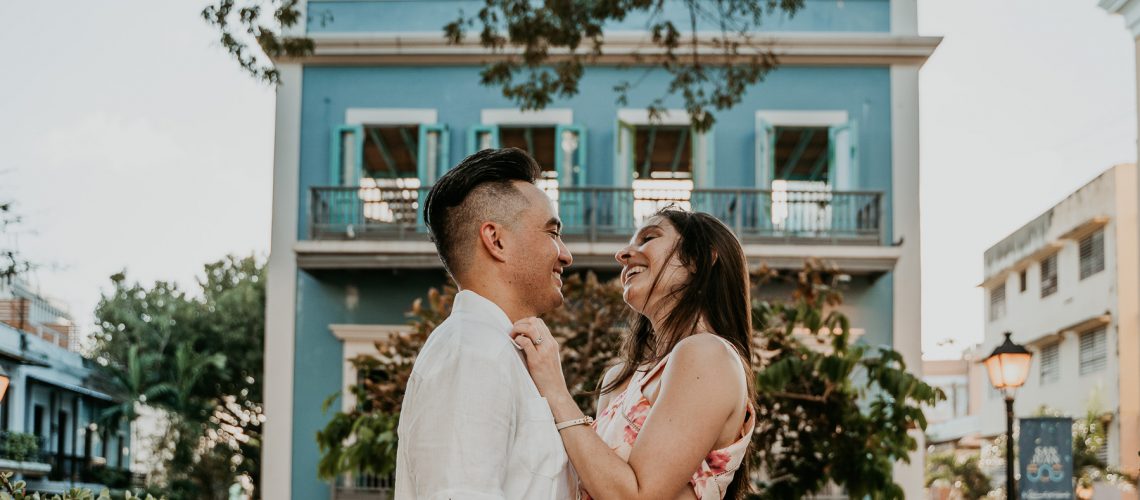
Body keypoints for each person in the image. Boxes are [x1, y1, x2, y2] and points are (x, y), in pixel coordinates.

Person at [511, 208, 756, 500]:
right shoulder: (620, 379)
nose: (623, 254)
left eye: (648, 238)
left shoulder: (708, 355)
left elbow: (637, 496)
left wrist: (555, 388)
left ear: (701, 259)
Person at [394, 148, 576, 500]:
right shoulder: (473, 353)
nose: (566, 254)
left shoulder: (498, 350)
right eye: (552, 233)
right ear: (496, 240)